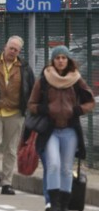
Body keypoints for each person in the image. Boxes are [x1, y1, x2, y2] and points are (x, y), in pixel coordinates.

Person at [27, 46, 95, 211]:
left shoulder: (76, 79)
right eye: (58, 58)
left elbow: (90, 101)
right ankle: (54, 203)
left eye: (64, 58)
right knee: (53, 165)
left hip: (70, 130)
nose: (61, 61)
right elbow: (31, 105)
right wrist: (44, 109)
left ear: (68, 60)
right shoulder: (44, 79)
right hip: (51, 130)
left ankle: (64, 203)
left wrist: (79, 110)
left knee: (66, 168)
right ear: (53, 60)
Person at [0, 36, 35, 195]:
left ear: (19, 52)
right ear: (5, 47)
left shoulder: (24, 67)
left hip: (15, 112)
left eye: (16, 50)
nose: (12, 51)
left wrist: (29, 110)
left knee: (10, 149)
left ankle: (7, 183)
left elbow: (31, 89)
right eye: (11, 48)